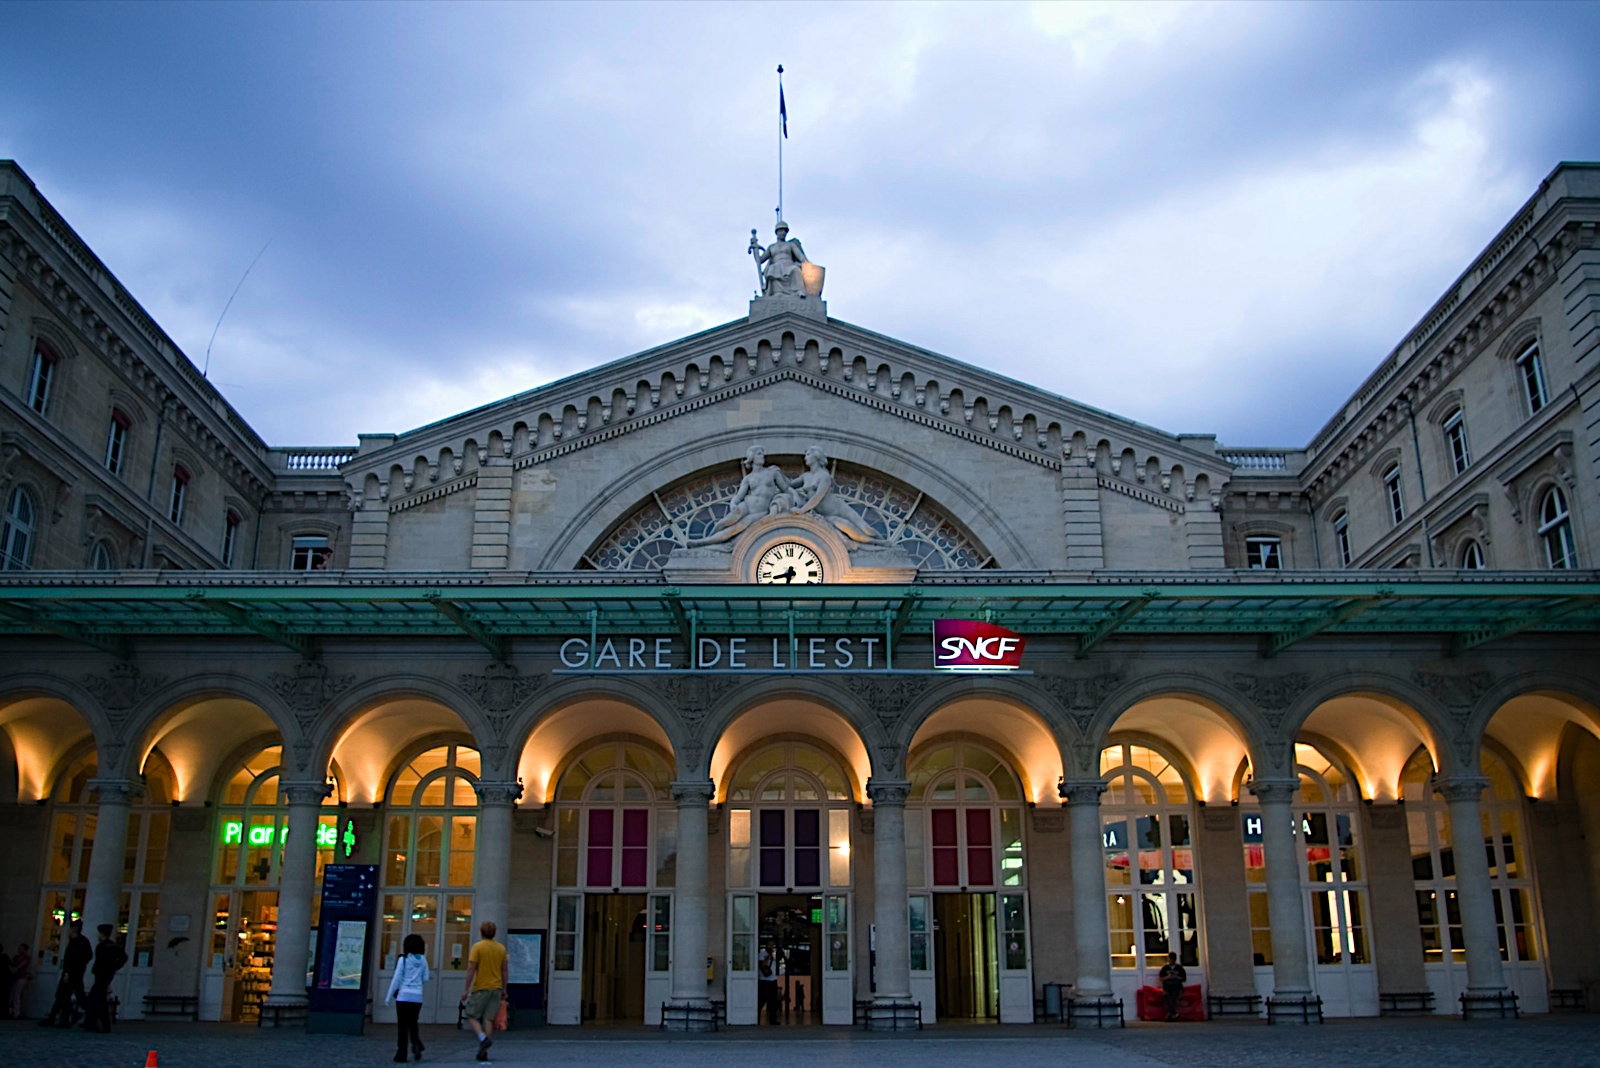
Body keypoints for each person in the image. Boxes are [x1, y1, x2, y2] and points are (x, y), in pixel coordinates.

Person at [459, 921, 507, 1063]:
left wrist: (466, 989)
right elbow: (504, 971)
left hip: (481, 987)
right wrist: (504, 988)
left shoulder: (477, 947)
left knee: (471, 1014)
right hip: (496, 988)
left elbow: (471, 969)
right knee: (488, 1019)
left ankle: (482, 1038)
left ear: (481, 932)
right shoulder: (501, 949)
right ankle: (483, 1051)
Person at [386, 933, 430, 1063]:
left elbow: (396, 979)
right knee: (413, 1023)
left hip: (403, 996)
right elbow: (426, 978)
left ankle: (401, 1053)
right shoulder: (423, 960)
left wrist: (388, 997)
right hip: (417, 997)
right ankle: (416, 1043)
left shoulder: (403, 960)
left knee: (402, 1027)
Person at [42, 921, 89, 1027]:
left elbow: (72, 960)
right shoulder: (79, 941)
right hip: (75, 973)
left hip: (72, 973)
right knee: (63, 996)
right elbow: (86, 957)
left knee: (64, 995)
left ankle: (71, 1015)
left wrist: (68, 973)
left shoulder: (78, 942)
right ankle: (58, 1019)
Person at [82, 924, 127, 1033]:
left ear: (102, 934)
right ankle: (92, 1022)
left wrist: (113, 967)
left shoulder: (107, 946)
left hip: (103, 976)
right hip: (102, 975)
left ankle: (101, 1024)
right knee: (95, 999)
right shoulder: (108, 946)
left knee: (99, 1000)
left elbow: (123, 958)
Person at [1158, 951, 1187, 1022]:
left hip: (1177, 987)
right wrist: (1168, 977)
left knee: (1174, 997)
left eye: (1172, 960)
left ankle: (1169, 1014)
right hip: (1167, 986)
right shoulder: (1165, 968)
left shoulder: (1179, 968)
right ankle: (1173, 1014)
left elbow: (1184, 979)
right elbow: (1161, 979)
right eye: (1170, 960)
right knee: (1166, 995)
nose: (1171, 961)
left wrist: (1176, 977)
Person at [757, 944, 779, 1025]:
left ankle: (773, 1019)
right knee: (762, 999)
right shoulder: (762, 954)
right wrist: (768, 957)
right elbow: (762, 965)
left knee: (774, 1001)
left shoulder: (773, 954)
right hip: (764, 980)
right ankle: (756, 1017)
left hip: (772, 979)